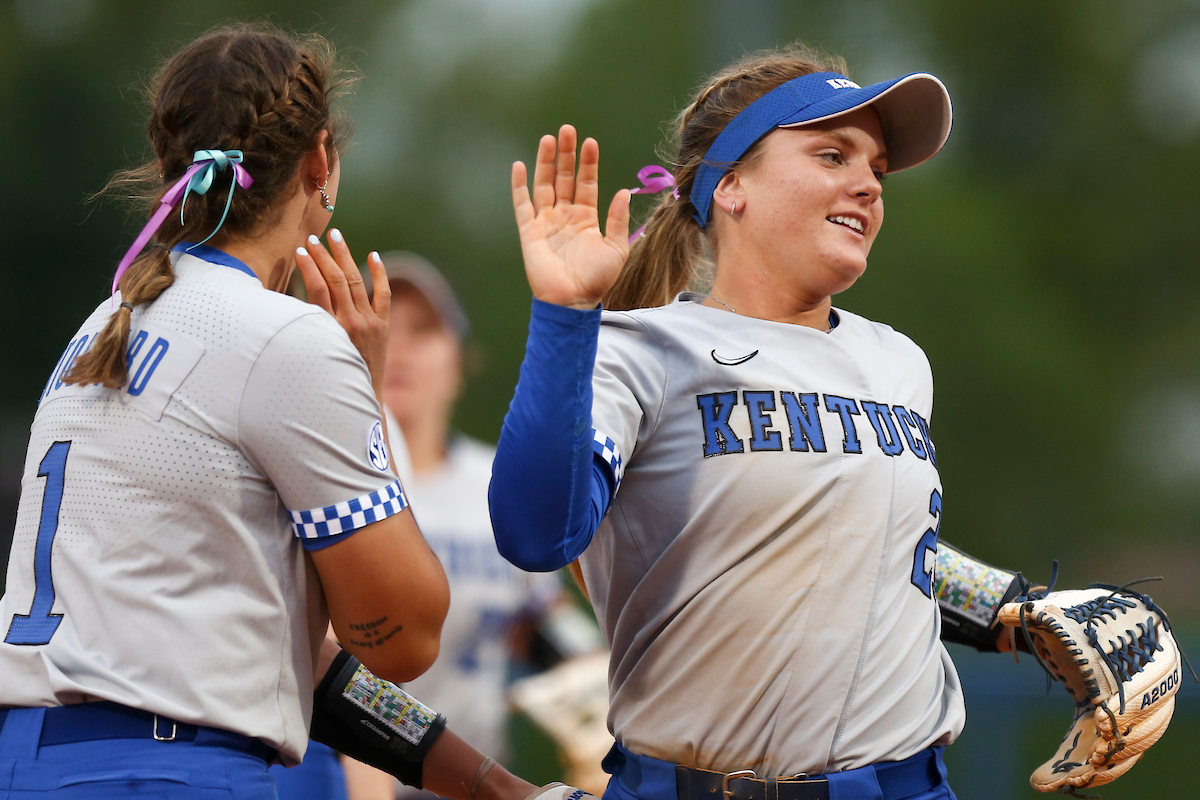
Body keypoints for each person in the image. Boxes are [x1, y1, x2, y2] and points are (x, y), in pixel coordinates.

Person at [0, 24, 536, 800]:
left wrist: (499, 789)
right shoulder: (283, 338)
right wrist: (368, 403)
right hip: (169, 768)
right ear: (320, 162)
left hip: (31, 761)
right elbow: (403, 636)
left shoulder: (107, 321)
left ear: (168, 170)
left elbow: (305, 656)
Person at [489, 43, 991, 800]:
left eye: (877, 171)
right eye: (832, 155)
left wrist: (1012, 606)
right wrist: (566, 320)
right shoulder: (645, 350)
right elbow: (536, 533)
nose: (866, 185)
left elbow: (883, 554)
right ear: (731, 187)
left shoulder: (898, 362)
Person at [336, 253, 565, 800]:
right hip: (351, 782)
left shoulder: (497, 485)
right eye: (385, 326)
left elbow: (541, 631)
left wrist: (595, 704)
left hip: (478, 785)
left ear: (459, 363)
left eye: (424, 330)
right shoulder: (330, 485)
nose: (401, 349)